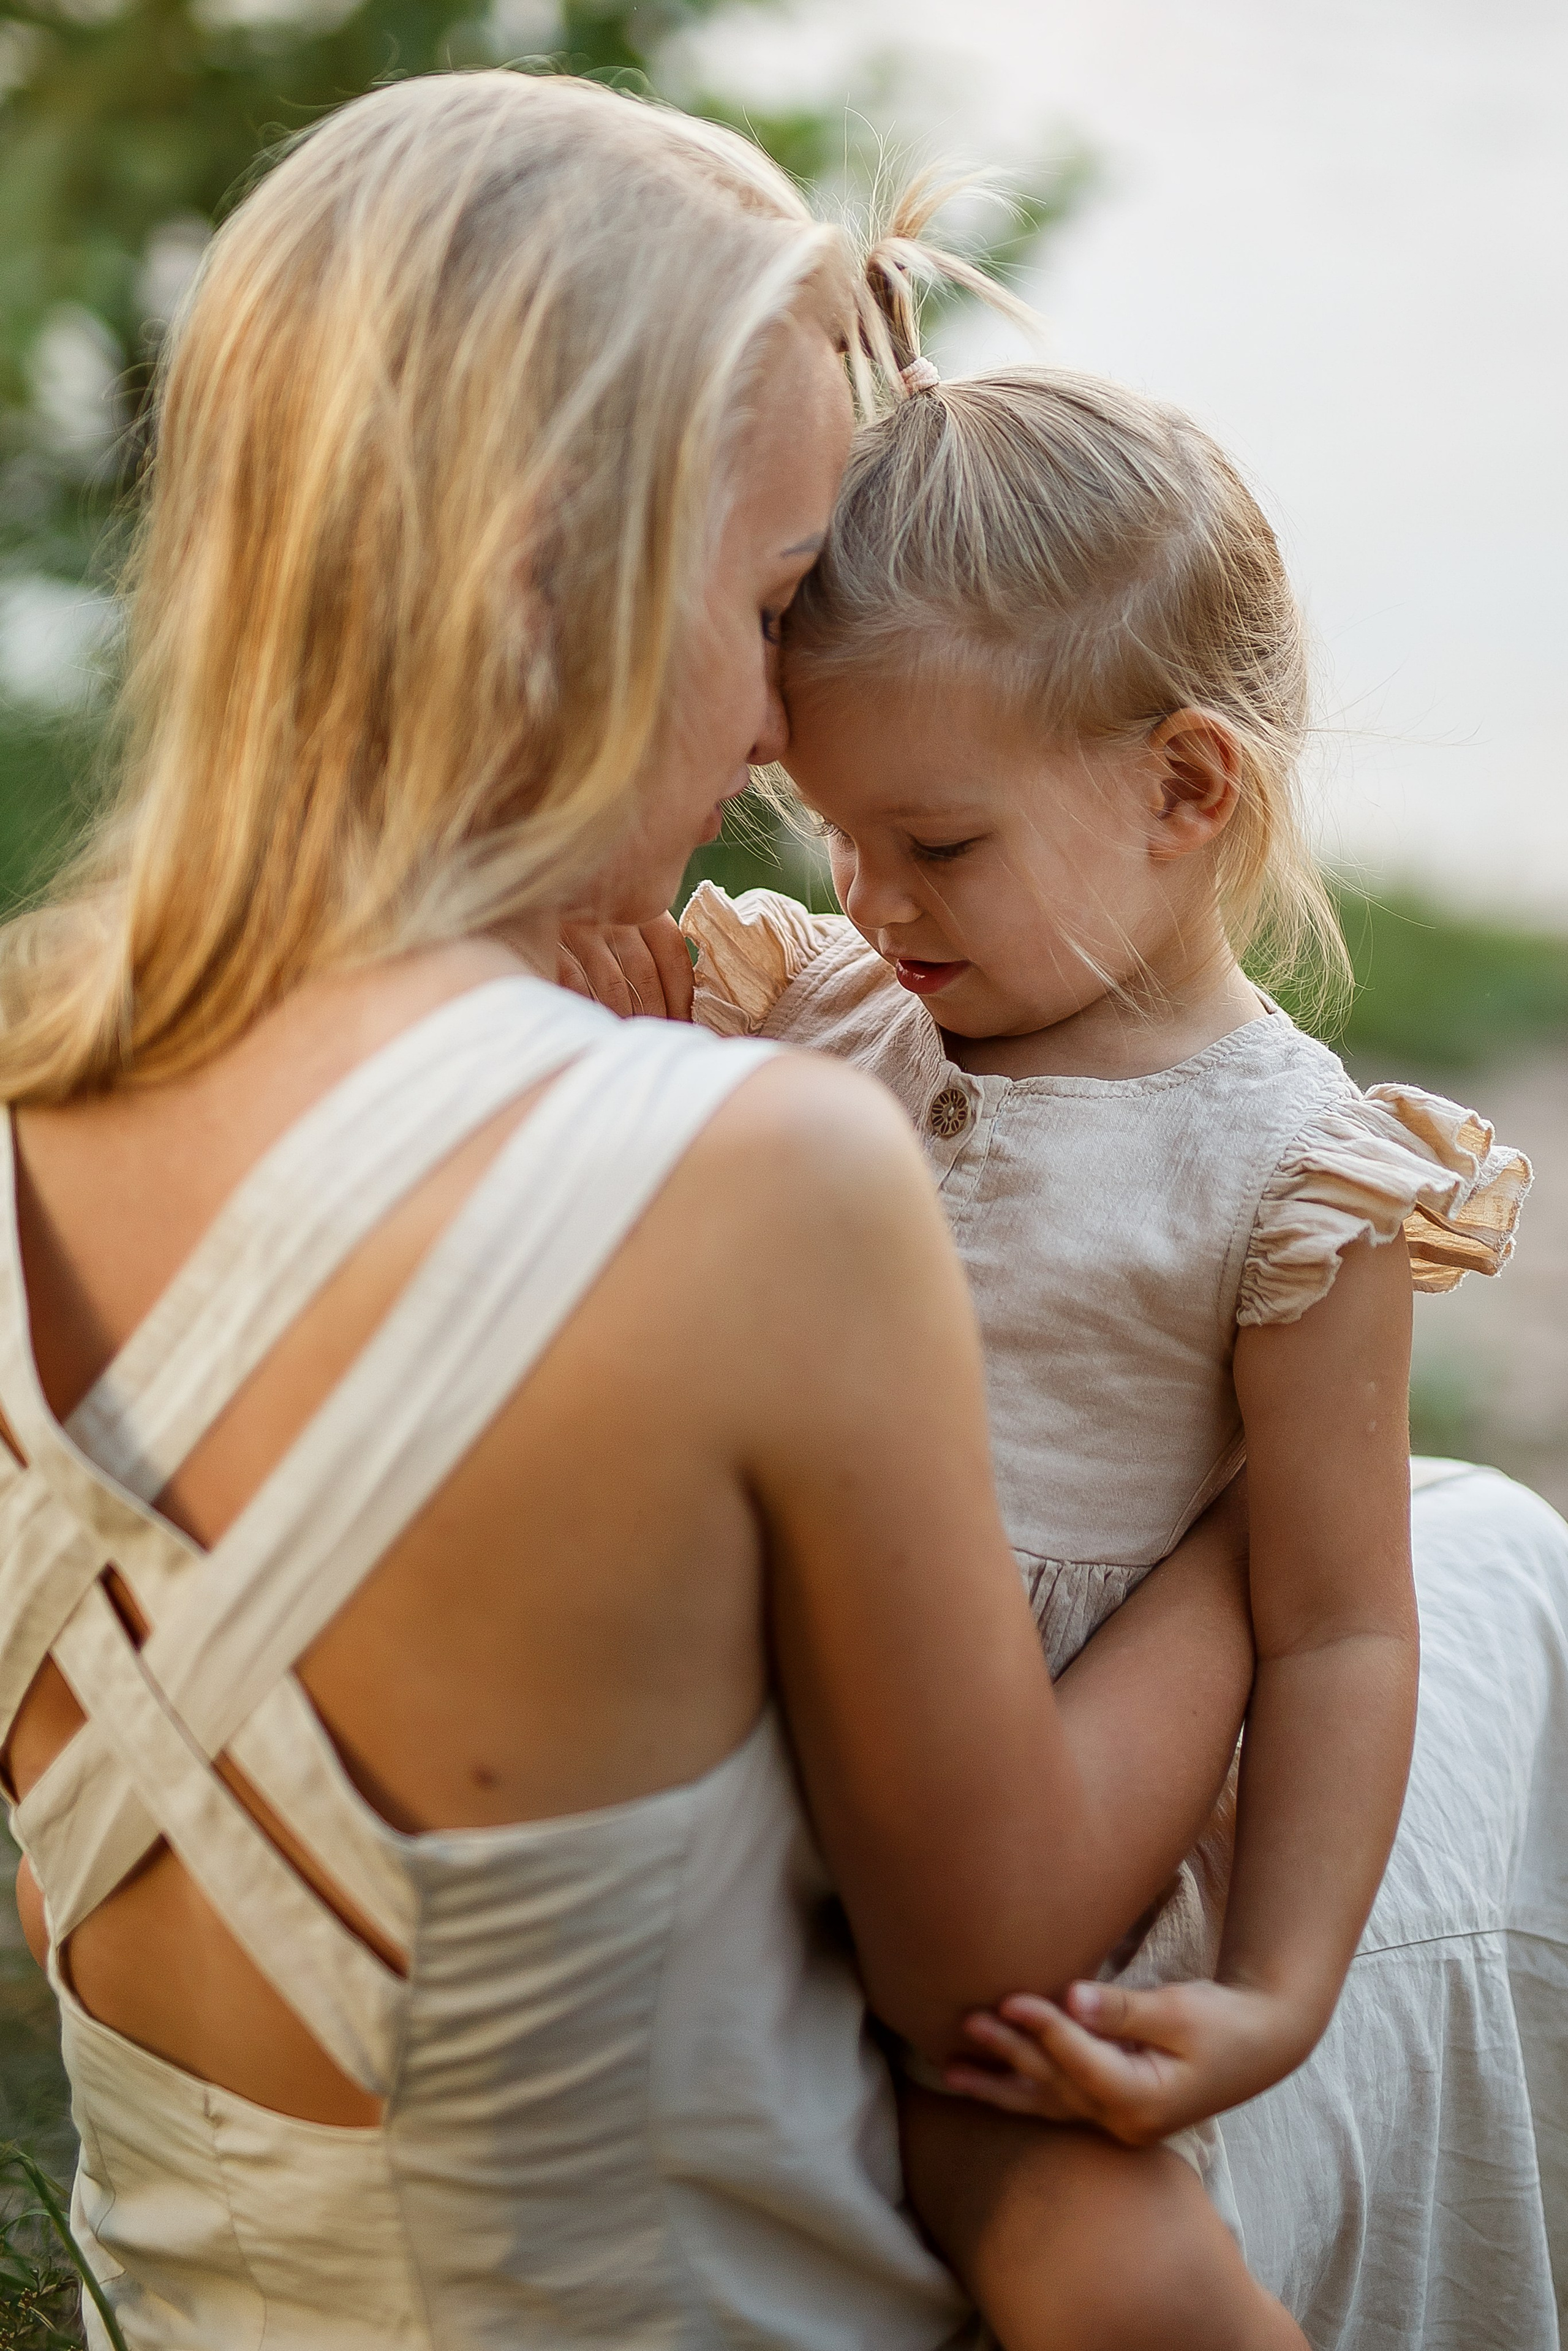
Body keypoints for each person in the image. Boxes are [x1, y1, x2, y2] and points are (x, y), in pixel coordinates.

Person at [0, 69, 1308, 2351]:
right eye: (782, 598)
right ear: (547, 578)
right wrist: (1267, 1524)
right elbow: (997, 1975)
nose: (785, 744)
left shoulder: (38, 1068)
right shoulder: (743, 1180)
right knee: (1494, 1583)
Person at [584, 281, 1563, 2339]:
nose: (874, 900)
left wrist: (1276, 1992)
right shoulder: (829, 1003)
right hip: (734, 1730)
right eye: (835, 833)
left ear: (1189, 787)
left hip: (1037, 1791)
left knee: (1045, 2188)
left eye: (938, 843)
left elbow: (1338, 1621)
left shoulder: (1294, 1180)